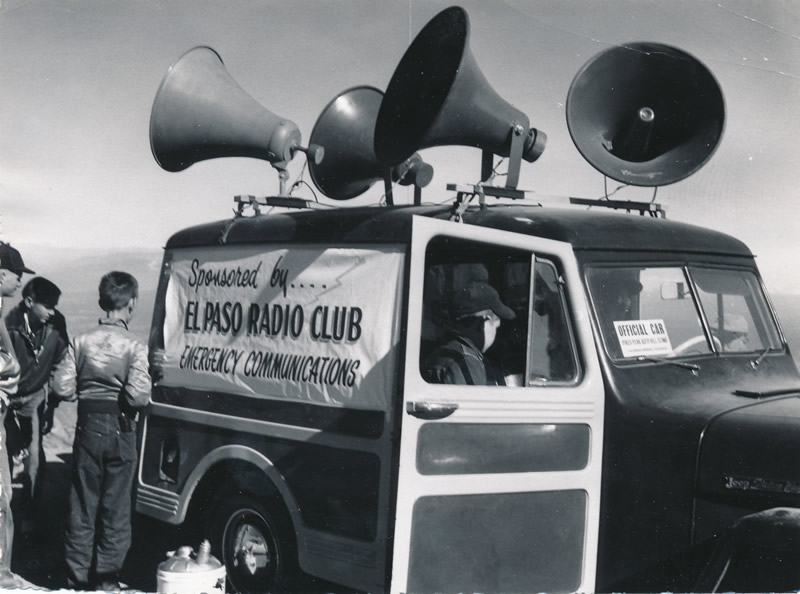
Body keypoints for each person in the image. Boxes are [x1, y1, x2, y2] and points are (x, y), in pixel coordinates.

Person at [52, 271, 151, 591]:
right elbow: (138, 396)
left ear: (101, 301)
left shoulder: (81, 341)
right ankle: (106, 583)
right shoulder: (135, 346)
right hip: (122, 431)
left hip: (87, 429)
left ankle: (76, 581)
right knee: (116, 509)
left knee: (82, 506)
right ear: (132, 304)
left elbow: (62, 387)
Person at [3, 276, 69, 539]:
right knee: (5, 456)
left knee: (34, 458)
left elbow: (60, 365)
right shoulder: (8, 326)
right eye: (48, 306)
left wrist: (51, 406)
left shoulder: (57, 326)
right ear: (29, 302)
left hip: (35, 397)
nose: (52, 312)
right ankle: (4, 518)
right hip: (6, 398)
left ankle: (28, 517)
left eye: (55, 306)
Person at [423, 280, 515, 385]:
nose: (496, 334)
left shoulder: (442, 350)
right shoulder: (466, 361)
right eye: (496, 327)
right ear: (483, 322)